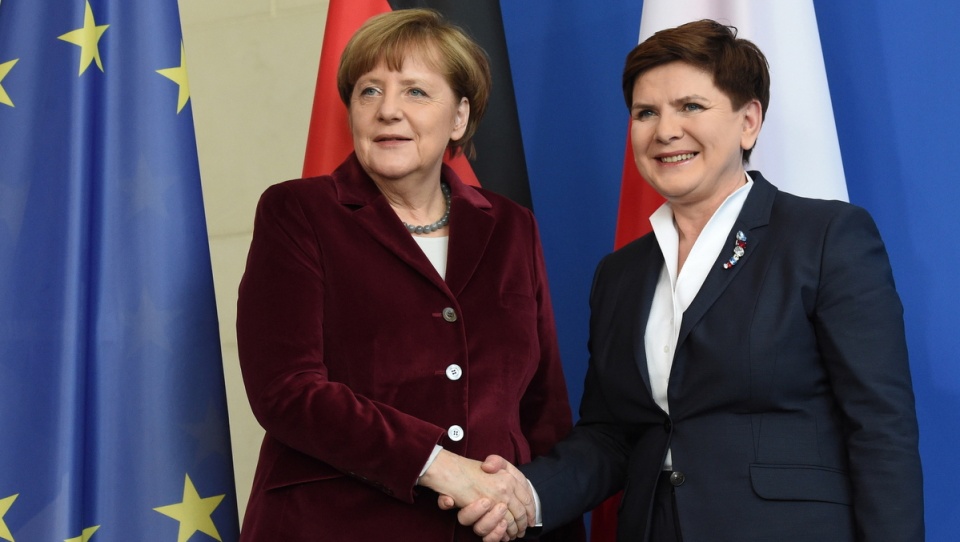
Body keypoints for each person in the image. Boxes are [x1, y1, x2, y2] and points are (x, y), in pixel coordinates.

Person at [454, 19, 924, 541]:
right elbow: (612, 435)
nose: (665, 131)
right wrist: (526, 495)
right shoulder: (620, 274)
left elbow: (881, 430)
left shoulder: (825, 237)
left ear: (749, 121)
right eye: (645, 112)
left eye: (691, 107)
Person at [235, 9, 584, 542]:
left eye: (416, 92)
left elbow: (544, 412)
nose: (388, 111)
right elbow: (286, 389)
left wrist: (535, 508)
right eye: (369, 92)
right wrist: (441, 465)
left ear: (460, 117)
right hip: (333, 526)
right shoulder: (298, 212)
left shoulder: (512, 227)